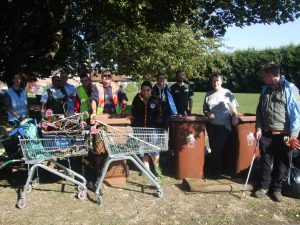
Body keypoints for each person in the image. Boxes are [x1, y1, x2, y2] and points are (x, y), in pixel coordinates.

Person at [254, 62, 300, 202]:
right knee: (266, 161)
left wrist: (293, 134)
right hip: (267, 134)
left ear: (273, 75)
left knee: (283, 162)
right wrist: (259, 128)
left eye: (264, 76)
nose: (263, 79)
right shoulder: (264, 90)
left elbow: (296, 113)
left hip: (285, 134)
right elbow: (259, 111)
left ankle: (277, 189)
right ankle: (263, 187)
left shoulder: (289, 88)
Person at [89, 69, 128, 188]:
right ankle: (98, 173)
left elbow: (124, 98)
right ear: (101, 77)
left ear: (111, 77)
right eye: (104, 76)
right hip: (100, 121)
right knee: (99, 149)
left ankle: (115, 172)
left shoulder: (117, 87)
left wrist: (124, 109)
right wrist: (94, 112)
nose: (106, 77)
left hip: (114, 121)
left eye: (109, 76)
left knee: (116, 146)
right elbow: (94, 100)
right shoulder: (97, 87)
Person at [203, 73, 238, 178]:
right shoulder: (208, 94)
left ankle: (217, 172)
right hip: (211, 126)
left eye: (217, 81)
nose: (215, 83)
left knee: (217, 148)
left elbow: (233, 108)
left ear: (221, 81)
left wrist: (235, 116)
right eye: (213, 81)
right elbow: (205, 109)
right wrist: (208, 113)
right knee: (213, 148)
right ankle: (214, 168)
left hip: (224, 126)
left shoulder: (228, 93)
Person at [131, 81, 163, 177]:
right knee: (143, 149)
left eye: (148, 90)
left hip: (153, 129)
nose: (145, 92)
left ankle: (157, 169)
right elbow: (133, 112)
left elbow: (160, 114)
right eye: (144, 90)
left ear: (151, 90)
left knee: (154, 149)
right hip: (140, 128)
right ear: (141, 90)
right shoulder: (137, 99)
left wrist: (158, 125)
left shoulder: (156, 100)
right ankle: (146, 169)